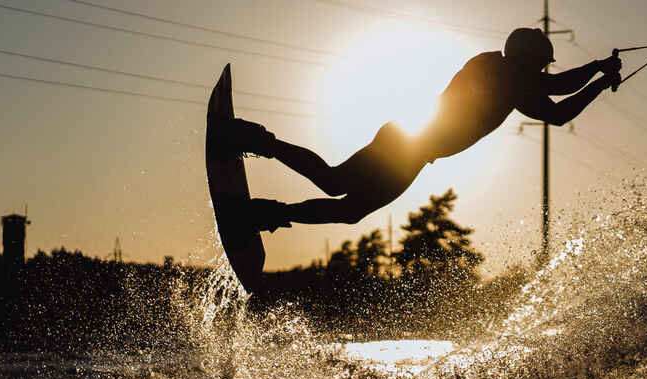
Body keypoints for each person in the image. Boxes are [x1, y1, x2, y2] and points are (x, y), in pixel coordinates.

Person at [221, 28, 622, 231]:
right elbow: (557, 104)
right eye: (539, 64)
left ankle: (263, 213)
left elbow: (555, 91)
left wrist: (599, 73)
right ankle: (256, 141)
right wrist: (600, 76)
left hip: (411, 149)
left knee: (348, 208)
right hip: (407, 143)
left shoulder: (509, 75)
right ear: (526, 59)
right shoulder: (500, 73)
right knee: (334, 184)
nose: (541, 71)